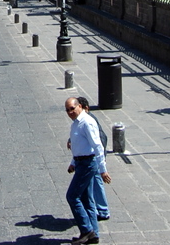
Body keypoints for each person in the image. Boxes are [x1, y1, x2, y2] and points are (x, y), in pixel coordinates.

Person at [64, 97, 111, 244]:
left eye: (72, 108)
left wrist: (103, 170)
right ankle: (94, 234)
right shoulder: (76, 124)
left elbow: (97, 146)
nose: (70, 112)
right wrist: (73, 163)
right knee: (87, 200)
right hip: (80, 162)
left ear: (80, 106)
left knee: (72, 196)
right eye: (67, 110)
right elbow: (79, 147)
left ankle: (86, 230)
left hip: (88, 164)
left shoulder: (87, 122)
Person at [74, 97, 110, 222]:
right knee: (92, 183)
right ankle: (97, 209)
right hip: (90, 158)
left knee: (96, 182)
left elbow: (99, 143)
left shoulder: (89, 121)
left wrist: (102, 166)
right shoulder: (80, 120)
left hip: (93, 158)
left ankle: (102, 210)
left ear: (85, 109)